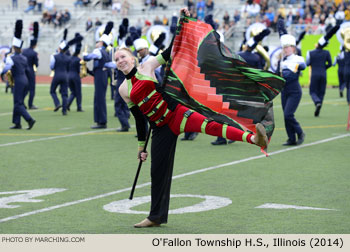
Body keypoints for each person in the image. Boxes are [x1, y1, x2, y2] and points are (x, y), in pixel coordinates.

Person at [116, 8, 268, 228]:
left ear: (131, 57)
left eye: (123, 56)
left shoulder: (147, 65)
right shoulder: (123, 89)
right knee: (157, 172)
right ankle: (155, 216)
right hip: (159, 129)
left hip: (176, 114)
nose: (120, 61)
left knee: (212, 126)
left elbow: (172, 51)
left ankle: (254, 139)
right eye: (117, 59)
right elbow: (139, 119)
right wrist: (141, 147)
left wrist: (182, 23)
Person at [1, 20, 36, 130]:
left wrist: (1, 73)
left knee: (18, 103)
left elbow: (7, 67)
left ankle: (29, 119)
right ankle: (17, 123)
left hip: (19, 81)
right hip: (25, 80)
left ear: (14, 47)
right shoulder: (24, 57)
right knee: (17, 102)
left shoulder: (11, 58)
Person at [277, 18, 306, 146]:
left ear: (293, 48)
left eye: (288, 47)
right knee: (285, 115)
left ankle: (300, 133)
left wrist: (294, 68)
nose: (286, 49)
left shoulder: (298, 58)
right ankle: (291, 138)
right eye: (285, 47)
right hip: (285, 90)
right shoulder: (282, 61)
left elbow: (303, 66)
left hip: (294, 90)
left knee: (289, 114)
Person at [83, 22, 113, 129]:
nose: (97, 42)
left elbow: (88, 58)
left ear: (101, 43)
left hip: (101, 76)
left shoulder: (99, 51)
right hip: (101, 76)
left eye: (98, 41)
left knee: (99, 99)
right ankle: (99, 120)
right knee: (98, 98)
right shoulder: (105, 52)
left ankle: (102, 121)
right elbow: (100, 67)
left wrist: (84, 55)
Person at [306, 25, 338, 117]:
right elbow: (330, 63)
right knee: (321, 92)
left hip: (314, 74)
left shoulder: (311, 52)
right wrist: (324, 68)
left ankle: (317, 102)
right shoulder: (326, 52)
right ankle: (318, 107)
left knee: (312, 91)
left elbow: (307, 63)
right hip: (323, 74)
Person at [49, 40, 70, 115]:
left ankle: (57, 103)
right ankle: (64, 111)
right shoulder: (68, 58)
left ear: (60, 48)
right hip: (65, 76)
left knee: (52, 91)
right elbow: (68, 68)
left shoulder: (54, 56)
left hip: (57, 75)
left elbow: (51, 66)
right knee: (64, 94)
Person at [22, 21, 39, 110]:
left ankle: (22, 102)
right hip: (30, 71)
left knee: (25, 88)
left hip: (23, 71)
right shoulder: (34, 53)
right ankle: (30, 104)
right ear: (35, 45)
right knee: (32, 88)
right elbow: (36, 64)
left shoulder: (24, 51)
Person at [67, 34, 84, 112]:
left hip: (68, 76)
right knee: (78, 92)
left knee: (73, 92)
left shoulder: (70, 58)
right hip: (75, 76)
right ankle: (79, 107)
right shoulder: (78, 59)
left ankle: (67, 104)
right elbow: (79, 70)